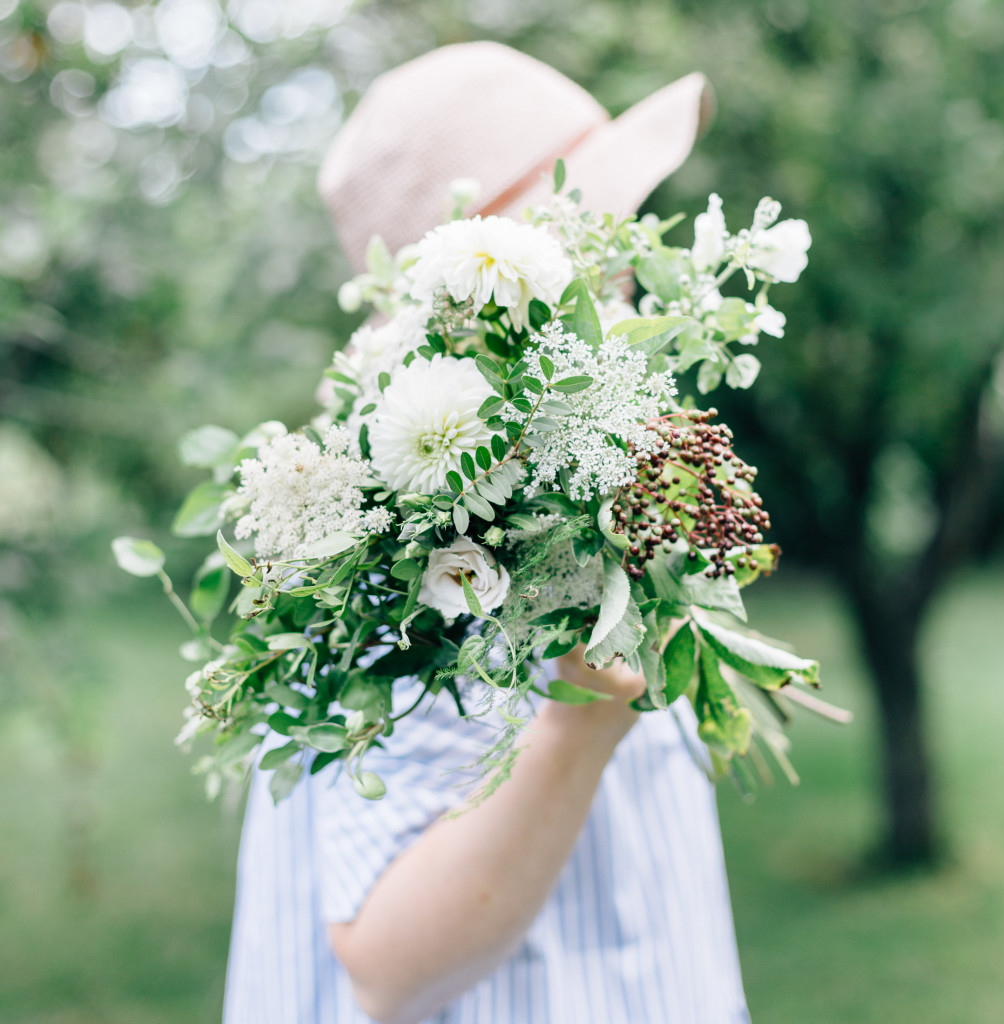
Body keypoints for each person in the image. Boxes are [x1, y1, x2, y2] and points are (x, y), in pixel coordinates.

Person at [223, 42, 749, 1024]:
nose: (623, 284)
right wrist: (582, 721)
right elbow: (386, 966)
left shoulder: (580, 493)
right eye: (593, 258)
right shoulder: (400, 550)